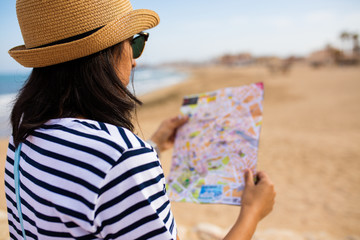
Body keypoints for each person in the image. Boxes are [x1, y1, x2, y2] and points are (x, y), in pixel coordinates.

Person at [5, 0, 275, 239]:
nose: (134, 61)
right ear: (104, 55)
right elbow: (109, 171)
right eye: (134, 42)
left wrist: (154, 145)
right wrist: (251, 213)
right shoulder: (121, 156)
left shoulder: (21, 139)